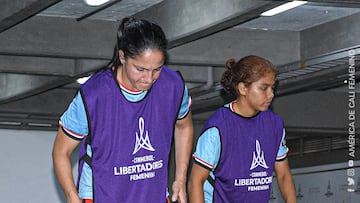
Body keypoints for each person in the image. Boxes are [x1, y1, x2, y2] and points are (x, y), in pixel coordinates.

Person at [52, 17, 193, 203]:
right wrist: (72, 196)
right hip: (102, 194)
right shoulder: (94, 95)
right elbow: (61, 152)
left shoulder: (172, 85)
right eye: (140, 69)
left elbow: (184, 127)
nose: (149, 78)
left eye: (157, 69)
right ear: (122, 57)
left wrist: (180, 180)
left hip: (152, 194)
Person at [188, 55, 296, 202]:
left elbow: (283, 174)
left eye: (272, 87)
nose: (271, 94)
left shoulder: (274, 124)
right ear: (243, 88)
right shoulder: (218, 128)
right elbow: (196, 182)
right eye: (264, 88)